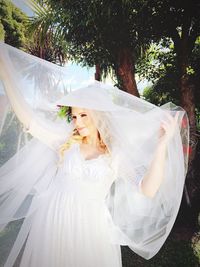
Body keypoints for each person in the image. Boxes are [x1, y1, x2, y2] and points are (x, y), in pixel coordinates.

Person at [0, 42, 189, 267]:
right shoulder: (65, 142)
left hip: (90, 229)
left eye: (84, 115)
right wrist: (4, 68)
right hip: (53, 219)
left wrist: (162, 145)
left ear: (98, 116)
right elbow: (27, 119)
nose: (77, 122)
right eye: (74, 116)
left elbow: (147, 189)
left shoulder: (113, 155)